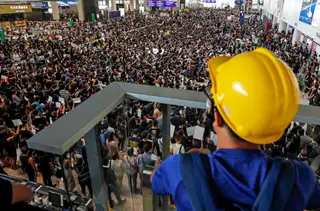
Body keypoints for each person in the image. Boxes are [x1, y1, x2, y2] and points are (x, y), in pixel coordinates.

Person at [151, 48, 320, 211]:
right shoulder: (298, 178)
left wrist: (197, 161)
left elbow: (155, 181)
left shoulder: (179, 170)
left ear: (216, 117)